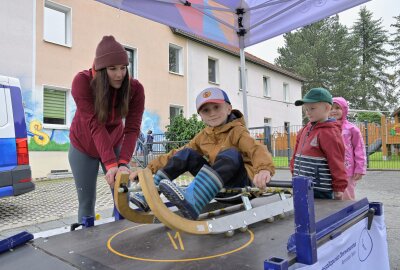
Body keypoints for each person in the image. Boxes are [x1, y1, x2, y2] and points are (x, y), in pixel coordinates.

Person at [129, 87, 275, 220]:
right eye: (206, 111)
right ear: (201, 116)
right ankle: (149, 194)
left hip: (241, 187)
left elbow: (256, 148)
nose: (212, 113)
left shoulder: (238, 131)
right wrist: (148, 169)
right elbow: (176, 154)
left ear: (229, 108)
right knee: (187, 153)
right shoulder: (203, 136)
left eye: (216, 107)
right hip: (216, 188)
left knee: (230, 153)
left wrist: (263, 169)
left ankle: (193, 200)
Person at [69, 35, 145, 223]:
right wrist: (110, 165)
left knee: (122, 198)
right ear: (102, 69)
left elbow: (132, 128)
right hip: (83, 147)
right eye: (112, 69)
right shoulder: (82, 82)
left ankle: (120, 241)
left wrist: (123, 163)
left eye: (123, 68)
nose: (119, 74)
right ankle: (85, 240)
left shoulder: (135, 89)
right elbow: (95, 124)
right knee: (87, 202)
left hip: (115, 143)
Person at [290, 88, 347, 200]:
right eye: (306, 109)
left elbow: (336, 161)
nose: (308, 112)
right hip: (301, 184)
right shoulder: (305, 130)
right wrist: (293, 169)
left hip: (320, 188)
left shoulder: (329, 133)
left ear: (327, 108)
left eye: (312, 108)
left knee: (321, 215)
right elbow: (296, 152)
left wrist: (339, 187)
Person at [330, 97, 367, 200]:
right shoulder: (326, 128)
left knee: (347, 197)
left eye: (337, 108)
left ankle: (349, 213)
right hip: (330, 169)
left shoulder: (352, 129)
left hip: (348, 170)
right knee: (331, 198)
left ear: (344, 109)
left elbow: (359, 149)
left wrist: (360, 169)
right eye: (331, 108)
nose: (333, 111)